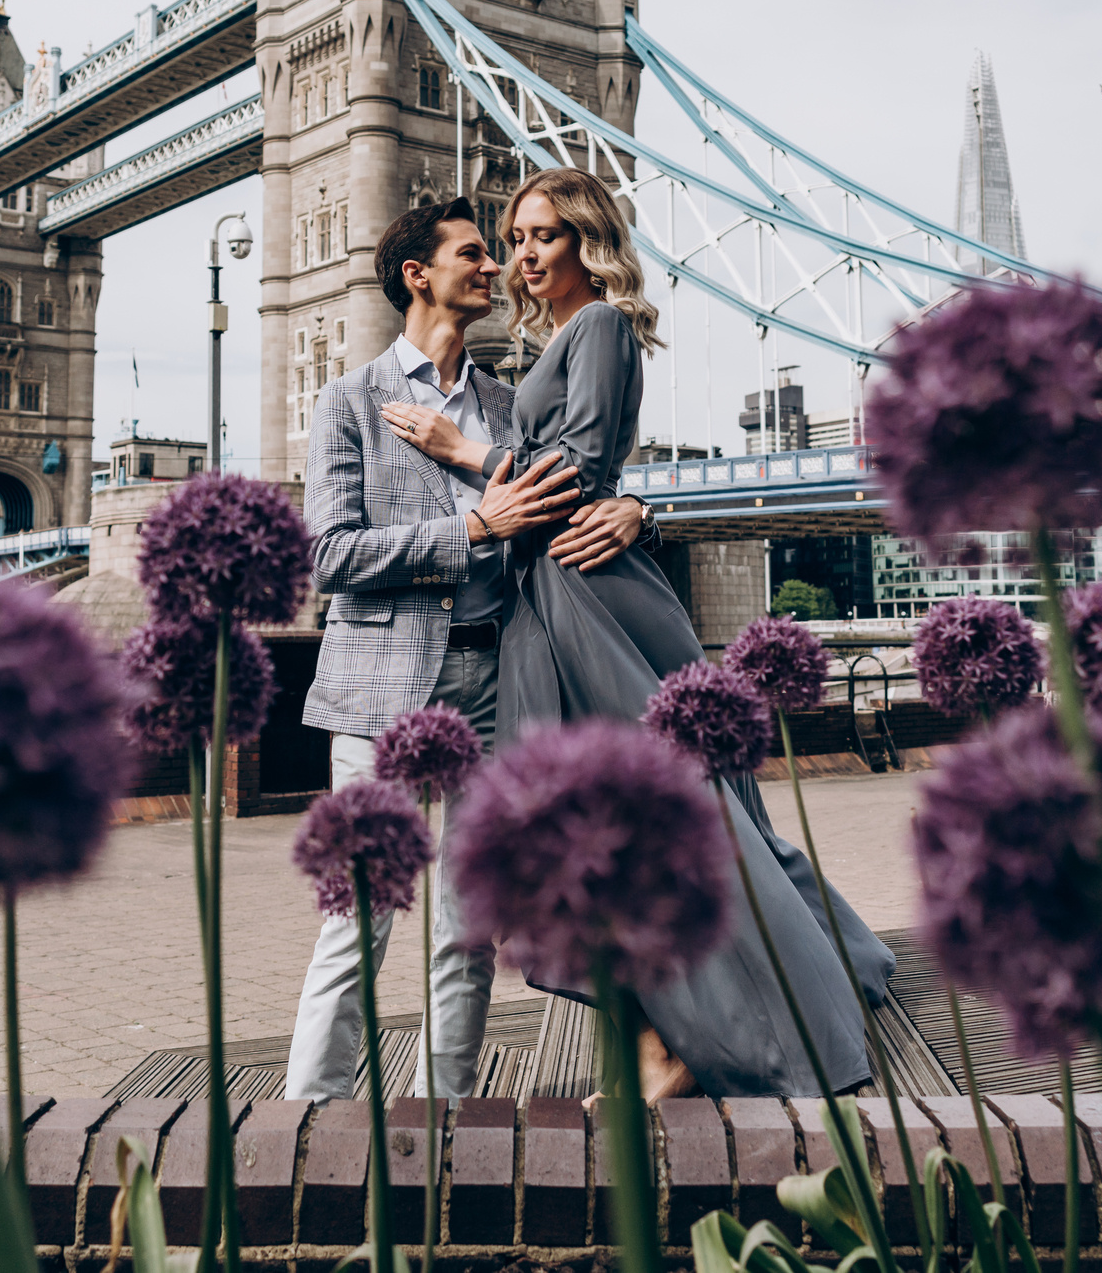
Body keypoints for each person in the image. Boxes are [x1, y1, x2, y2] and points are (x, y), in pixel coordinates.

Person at [384, 167, 895, 1100]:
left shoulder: (603, 326)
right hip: (553, 593)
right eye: (514, 239)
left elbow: (574, 475)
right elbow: (586, 475)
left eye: (543, 236)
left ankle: (698, 1034)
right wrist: (625, 503)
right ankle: (666, 1027)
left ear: (587, 241)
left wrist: (466, 453)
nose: (522, 256)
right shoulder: (550, 349)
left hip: (590, 595)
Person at [284, 196, 652, 1102]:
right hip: (380, 693)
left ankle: (448, 1119)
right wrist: (471, 527)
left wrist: (642, 509)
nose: (497, 269)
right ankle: (307, 1123)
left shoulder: (502, 404)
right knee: (357, 923)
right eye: (475, 255)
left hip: (491, 682)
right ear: (420, 275)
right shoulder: (349, 400)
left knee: (467, 928)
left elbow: (580, 484)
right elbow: (331, 557)